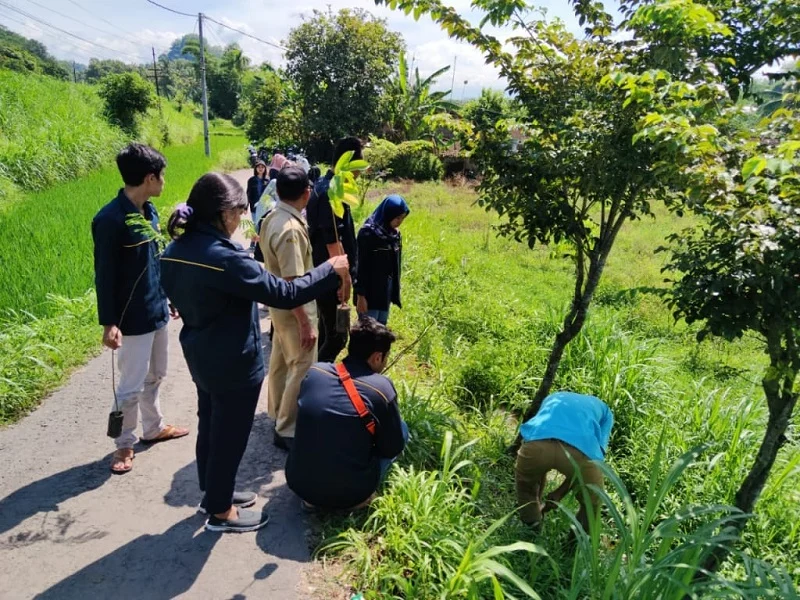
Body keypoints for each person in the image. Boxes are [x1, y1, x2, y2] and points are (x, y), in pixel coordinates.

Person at [160, 172, 349, 533]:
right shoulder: (225, 258)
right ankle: (220, 512)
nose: (240, 220)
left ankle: (214, 493)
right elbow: (285, 292)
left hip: (201, 353)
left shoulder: (175, 251)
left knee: (211, 426)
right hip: (234, 360)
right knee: (229, 435)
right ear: (224, 213)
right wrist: (329, 269)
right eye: (239, 212)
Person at [91, 143, 189, 475]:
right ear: (150, 178)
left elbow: (154, 262)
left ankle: (153, 427)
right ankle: (123, 445)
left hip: (156, 307)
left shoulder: (149, 212)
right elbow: (104, 275)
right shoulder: (110, 220)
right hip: (131, 319)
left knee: (157, 374)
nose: (163, 182)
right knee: (130, 385)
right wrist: (109, 322)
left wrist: (169, 296)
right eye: (161, 176)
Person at [286, 316, 408, 511]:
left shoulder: (316, 372)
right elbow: (392, 448)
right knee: (402, 429)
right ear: (377, 357)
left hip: (299, 484)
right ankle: (358, 499)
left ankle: (314, 497)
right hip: (351, 493)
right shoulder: (381, 389)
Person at [259, 166, 317, 450]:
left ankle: (277, 411)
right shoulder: (290, 229)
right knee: (302, 365)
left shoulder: (272, 217)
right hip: (296, 308)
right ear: (306, 193)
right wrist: (305, 322)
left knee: (282, 360)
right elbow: (293, 280)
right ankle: (287, 428)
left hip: (279, 306)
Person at [515, 391, 614, 531]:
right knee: (591, 506)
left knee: (526, 490)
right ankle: (572, 548)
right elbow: (595, 455)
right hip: (581, 452)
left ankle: (532, 533)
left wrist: (544, 497)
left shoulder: (553, 397)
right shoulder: (606, 412)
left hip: (536, 446)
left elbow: (541, 470)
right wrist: (559, 493)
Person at [306, 137, 361, 361]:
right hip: (332, 277)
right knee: (338, 337)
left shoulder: (323, 185)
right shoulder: (331, 192)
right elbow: (332, 243)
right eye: (358, 166)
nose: (359, 173)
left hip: (325, 274)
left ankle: (312, 375)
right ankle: (317, 382)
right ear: (348, 163)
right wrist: (345, 280)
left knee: (326, 330)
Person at [355, 195, 410, 325]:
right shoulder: (368, 234)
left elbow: (395, 265)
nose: (400, 221)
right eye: (397, 217)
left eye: (403, 218)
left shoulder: (394, 235)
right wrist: (360, 297)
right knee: (367, 332)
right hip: (370, 293)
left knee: (380, 331)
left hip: (385, 291)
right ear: (388, 214)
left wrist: (395, 291)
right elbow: (360, 267)